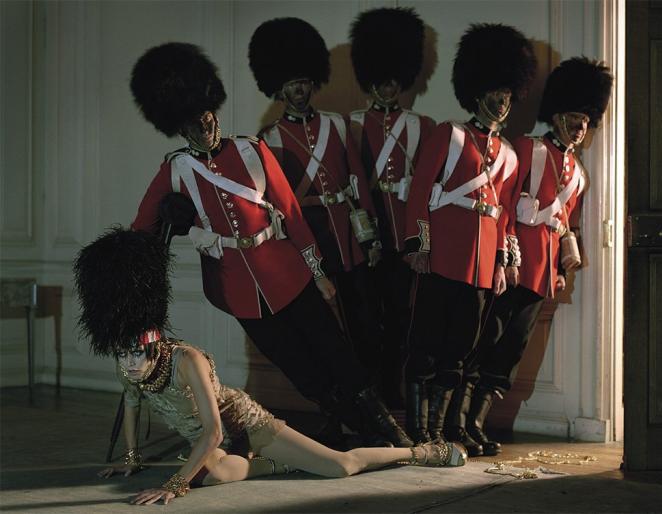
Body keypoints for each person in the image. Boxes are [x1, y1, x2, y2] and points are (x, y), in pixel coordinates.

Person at [129, 42, 411, 448]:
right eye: (193, 121)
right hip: (237, 289)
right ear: (179, 127)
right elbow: (142, 230)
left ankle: (388, 429)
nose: (204, 125)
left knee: (338, 353)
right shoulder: (176, 169)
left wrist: (317, 273)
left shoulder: (252, 149)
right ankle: (362, 432)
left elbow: (292, 214)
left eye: (207, 116)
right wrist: (168, 228)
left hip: (288, 273)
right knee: (303, 372)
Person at [74, 228, 466, 506]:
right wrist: (131, 459)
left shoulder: (185, 359)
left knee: (340, 467)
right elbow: (131, 404)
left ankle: (422, 453)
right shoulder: (128, 366)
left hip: (245, 426)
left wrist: (174, 485)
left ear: (154, 345)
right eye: (121, 355)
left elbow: (213, 431)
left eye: (135, 354)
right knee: (211, 475)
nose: (128, 363)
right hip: (214, 446)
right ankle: (276, 465)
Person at [457, 57, 614, 456]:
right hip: (512, 267)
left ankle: (477, 423)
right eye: (575, 119)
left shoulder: (578, 173)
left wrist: (561, 268)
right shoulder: (528, 148)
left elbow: (565, 224)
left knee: (511, 350)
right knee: (484, 341)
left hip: (541, 275)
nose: (580, 128)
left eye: (586, 121)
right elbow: (504, 203)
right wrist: (504, 257)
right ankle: (457, 423)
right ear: (557, 117)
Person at [401, 24, 536, 447]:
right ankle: (419, 429)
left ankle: (442, 429)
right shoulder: (450, 133)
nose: (502, 102)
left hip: (479, 268)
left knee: (459, 351)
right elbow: (420, 191)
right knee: (426, 344)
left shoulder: (509, 155)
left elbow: (506, 215)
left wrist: (501, 262)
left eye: (508, 94)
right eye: (495, 93)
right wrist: (419, 245)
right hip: (441, 255)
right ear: (477, 94)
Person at [248, 19, 387, 415]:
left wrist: (370, 237)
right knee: (325, 331)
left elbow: (358, 183)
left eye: (304, 82)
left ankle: (372, 401)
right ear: (279, 89)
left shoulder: (336, 125)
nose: (299, 90)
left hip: (348, 239)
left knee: (364, 321)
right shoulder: (270, 137)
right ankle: (339, 407)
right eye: (292, 83)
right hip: (310, 242)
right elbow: (275, 203)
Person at [348, 6, 437, 407]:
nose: (388, 87)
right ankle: (368, 392)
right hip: (365, 233)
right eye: (381, 79)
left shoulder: (421, 126)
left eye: (393, 80)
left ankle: (390, 387)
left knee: (402, 317)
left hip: (403, 234)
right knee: (365, 318)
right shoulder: (351, 123)